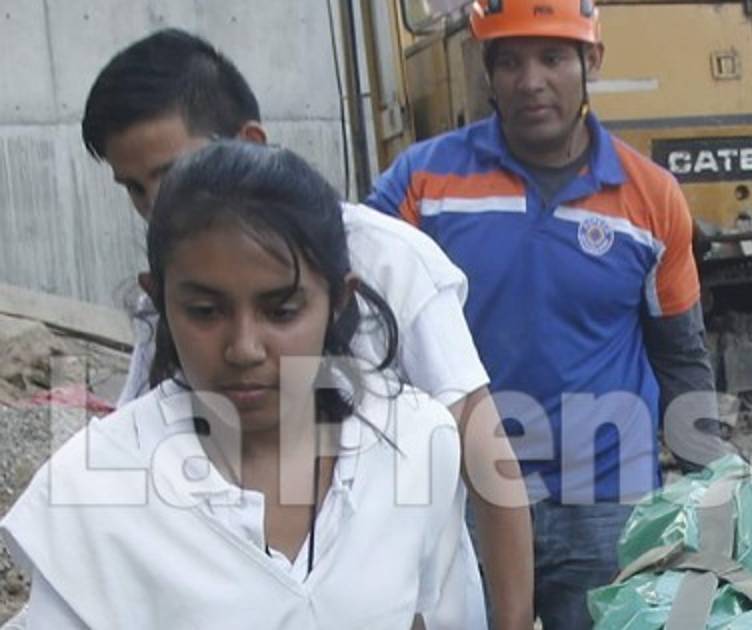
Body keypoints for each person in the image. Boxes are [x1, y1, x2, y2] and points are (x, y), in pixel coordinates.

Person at [76, 29, 533, 628]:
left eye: (283, 309)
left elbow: (487, 461)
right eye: (135, 190)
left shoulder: (389, 262)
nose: (156, 207)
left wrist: (513, 620)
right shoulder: (172, 294)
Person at [0, 141, 476, 627]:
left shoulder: (414, 444)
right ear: (159, 300)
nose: (244, 348)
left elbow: (423, 614)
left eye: (282, 311)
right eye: (205, 312)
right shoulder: (94, 493)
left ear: (338, 300)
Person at [366, 0, 728, 624]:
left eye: (553, 58)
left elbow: (680, 357)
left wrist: (715, 495)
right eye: (509, 62)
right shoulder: (422, 185)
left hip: (607, 500)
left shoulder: (650, 199)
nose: (530, 81)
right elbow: (359, 315)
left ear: (592, 61)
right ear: (487, 71)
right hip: (464, 495)